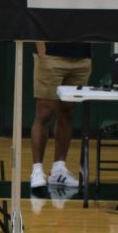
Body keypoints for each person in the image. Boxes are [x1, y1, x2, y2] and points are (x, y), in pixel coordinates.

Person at [30, 42, 91, 191]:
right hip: (51, 56)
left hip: (81, 58)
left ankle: (58, 169)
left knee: (67, 112)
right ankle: (37, 170)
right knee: (44, 114)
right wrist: (42, 51)